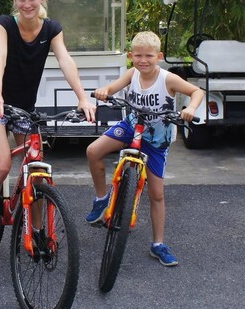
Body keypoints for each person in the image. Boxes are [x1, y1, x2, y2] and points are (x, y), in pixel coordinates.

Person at [0, 0, 97, 258]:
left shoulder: (51, 29)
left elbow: (65, 60)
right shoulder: (4, 24)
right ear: (15, 1)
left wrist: (82, 96)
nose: (27, 4)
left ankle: (38, 231)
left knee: (36, 170)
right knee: (1, 166)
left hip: (25, 109)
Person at [85, 31, 204, 267]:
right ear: (131, 56)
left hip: (156, 139)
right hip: (131, 127)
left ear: (159, 56)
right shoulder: (133, 74)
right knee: (93, 151)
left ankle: (158, 244)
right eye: (138, 56)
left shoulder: (167, 79)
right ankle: (101, 198)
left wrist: (191, 108)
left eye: (149, 56)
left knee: (157, 194)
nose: (143, 60)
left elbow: (197, 91)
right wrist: (104, 91)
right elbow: (113, 87)